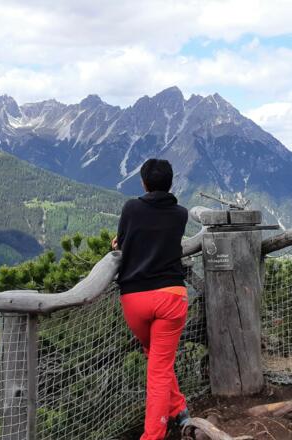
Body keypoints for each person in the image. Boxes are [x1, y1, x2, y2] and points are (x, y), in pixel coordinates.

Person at [112, 158, 191, 439]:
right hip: (171, 298)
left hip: (135, 299)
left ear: (144, 183)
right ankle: (167, 421)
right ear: (171, 183)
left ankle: (168, 420)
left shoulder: (131, 207)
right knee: (159, 366)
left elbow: (122, 241)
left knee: (156, 361)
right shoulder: (181, 214)